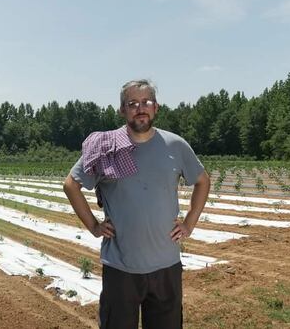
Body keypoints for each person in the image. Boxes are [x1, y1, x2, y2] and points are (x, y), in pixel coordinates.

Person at [63, 79, 211, 329]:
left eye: (146, 102)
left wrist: (189, 224)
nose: (140, 108)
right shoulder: (106, 147)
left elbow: (202, 181)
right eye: (132, 103)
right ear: (122, 110)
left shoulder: (175, 145)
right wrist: (94, 226)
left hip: (166, 265)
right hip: (121, 268)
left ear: (156, 108)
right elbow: (71, 185)